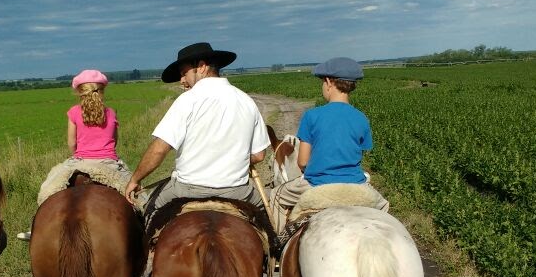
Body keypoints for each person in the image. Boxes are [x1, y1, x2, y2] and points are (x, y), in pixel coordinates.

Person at [124, 42, 270, 220]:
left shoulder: (187, 100)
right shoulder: (246, 101)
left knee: (149, 213)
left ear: (201, 67)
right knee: (267, 225)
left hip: (187, 190)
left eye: (184, 73)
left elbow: (159, 149)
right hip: (237, 192)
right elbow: (259, 154)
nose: (182, 81)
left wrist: (135, 179)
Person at [269, 57, 388, 232]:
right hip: (356, 184)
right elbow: (357, 155)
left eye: (322, 82)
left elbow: (302, 162)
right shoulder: (361, 118)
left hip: (317, 183)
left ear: (328, 82)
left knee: (275, 197)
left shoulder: (312, 116)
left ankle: (278, 250)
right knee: (383, 206)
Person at [17, 69, 132, 241]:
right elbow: (114, 141)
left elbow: (71, 142)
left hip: (79, 160)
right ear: (102, 91)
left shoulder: (74, 112)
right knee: (135, 194)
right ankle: (146, 227)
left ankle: (36, 228)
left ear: (79, 92)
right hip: (108, 162)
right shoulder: (111, 113)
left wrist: (78, 156)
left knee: (48, 189)